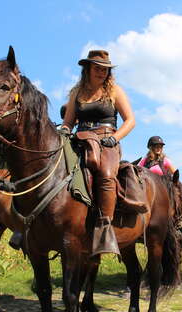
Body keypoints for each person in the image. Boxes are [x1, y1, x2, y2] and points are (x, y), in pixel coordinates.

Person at [60, 49, 135, 257]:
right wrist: (63, 131)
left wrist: (115, 138)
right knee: (53, 163)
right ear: (87, 69)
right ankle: (31, 223)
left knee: (106, 175)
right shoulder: (77, 92)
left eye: (105, 69)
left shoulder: (115, 91)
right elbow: (68, 123)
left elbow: (130, 120)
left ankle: (104, 229)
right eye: (97, 68)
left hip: (106, 140)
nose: (102, 72)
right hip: (80, 138)